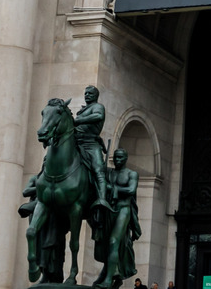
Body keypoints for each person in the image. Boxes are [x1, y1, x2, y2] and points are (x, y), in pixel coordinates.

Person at [93, 147, 142, 288]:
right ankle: (111, 273)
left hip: (123, 209)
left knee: (114, 241)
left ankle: (108, 279)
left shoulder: (132, 174)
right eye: (115, 157)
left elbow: (131, 190)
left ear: (126, 158)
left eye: (120, 157)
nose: (117, 160)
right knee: (107, 244)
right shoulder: (108, 172)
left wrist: (111, 188)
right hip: (108, 210)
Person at [76, 85, 112, 213]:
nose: (87, 95)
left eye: (90, 93)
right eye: (85, 93)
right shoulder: (83, 110)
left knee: (98, 170)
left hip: (90, 143)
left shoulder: (98, 107)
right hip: (76, 141)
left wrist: (80, 120)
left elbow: (98, 116)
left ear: (96, 96)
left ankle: (102, 199)